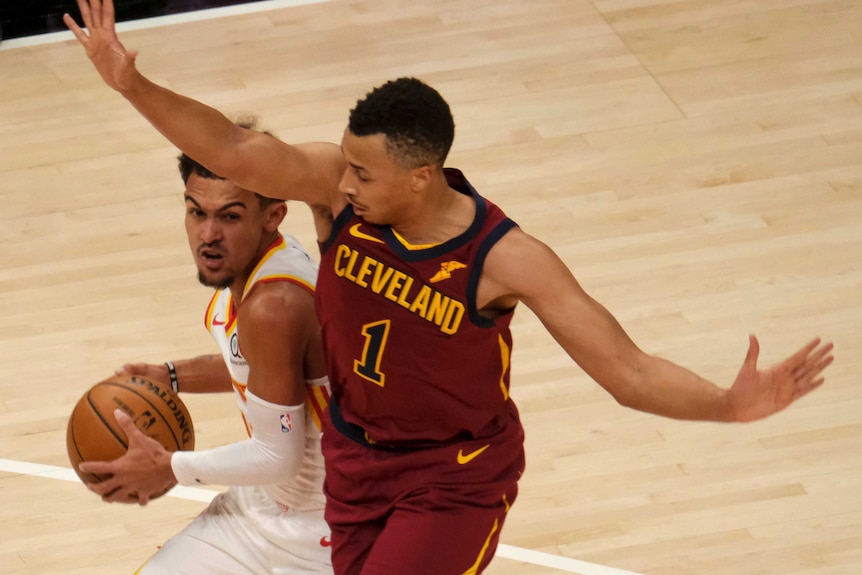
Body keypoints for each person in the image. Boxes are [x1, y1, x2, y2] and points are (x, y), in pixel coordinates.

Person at [65, 1, 835, 573]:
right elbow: (236, 146)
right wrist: (134, 87)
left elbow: (627, 372)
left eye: (365, 173)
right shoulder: (341, 197)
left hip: (452, 475)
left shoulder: (505, 258)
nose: (344, 181)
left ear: (421, 175)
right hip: (358, 464)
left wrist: (730, 404)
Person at [77, 119, 334, 575]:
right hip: (262, 508)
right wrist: (171, 376)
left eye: (229, 216)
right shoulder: (252, 266)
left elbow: (278, 454)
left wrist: (169, 466)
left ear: (272, 215)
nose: (208, 235)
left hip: (326, 532)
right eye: (196, 212)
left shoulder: (275, 304)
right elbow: (256, 364)